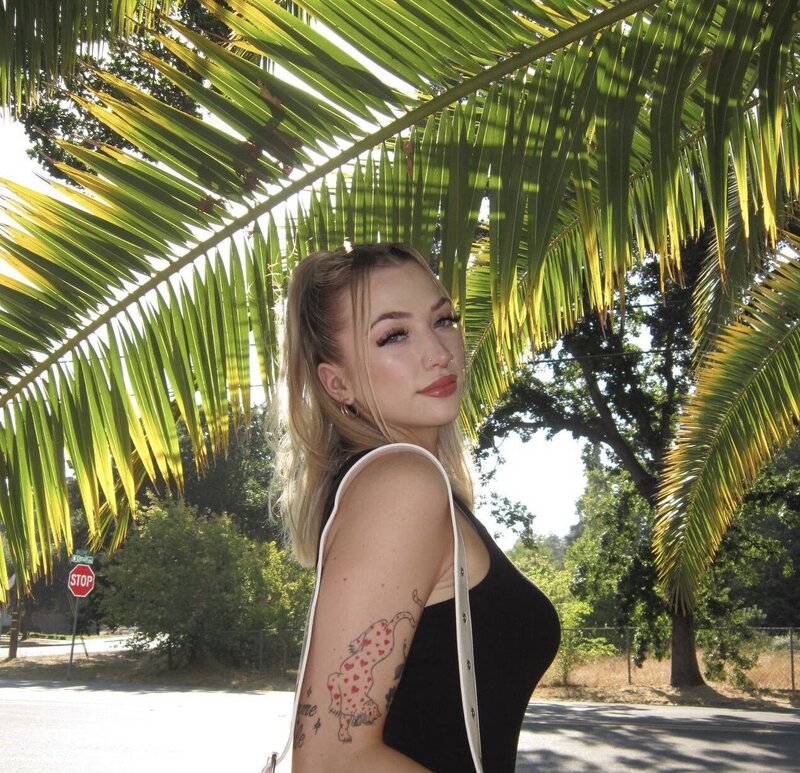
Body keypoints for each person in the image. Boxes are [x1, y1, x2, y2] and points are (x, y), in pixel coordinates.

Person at [274, 243, 560, 772]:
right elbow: (330, 763)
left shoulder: (411, 486)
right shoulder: (400, 484)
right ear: (337, 382)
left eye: (444, 320)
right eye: (395, 335)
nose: (438, 352)